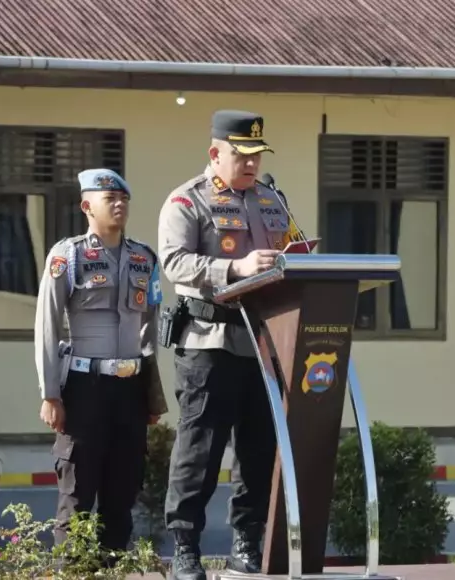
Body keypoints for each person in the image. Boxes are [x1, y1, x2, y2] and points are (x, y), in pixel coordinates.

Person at [157, 110, 300, 580]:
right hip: (209, 344)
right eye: (242, 156)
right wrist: (234, 268)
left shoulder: (272, 199)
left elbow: (296, 250)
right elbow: (175, 263)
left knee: (258, 452)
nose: (252, 165)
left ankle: (246, 540)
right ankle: (186, 548)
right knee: (199, 451)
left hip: (264, 346)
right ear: (215, 153)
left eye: (258, 156)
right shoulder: (187, 201)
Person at [34, 168, 168, 557]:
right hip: (83, 389)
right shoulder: (68, 255)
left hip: (129, 391)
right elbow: (47, 324)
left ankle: (112, 569)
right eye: (110, 198)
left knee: (121, 498)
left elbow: (150, 330)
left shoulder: (144, 258)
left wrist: (150, 394)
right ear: (86, 206)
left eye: (124, 198)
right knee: (76, 497)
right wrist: (50, 394)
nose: (120, 204)